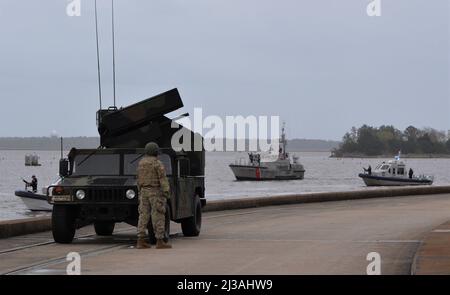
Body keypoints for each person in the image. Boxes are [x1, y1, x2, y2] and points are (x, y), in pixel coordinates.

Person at [136, 142, 172, 249]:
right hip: (155, 192)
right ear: (155, 151)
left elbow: (138, 179)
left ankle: (140, 240)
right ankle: (159, 241)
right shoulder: (157, 163)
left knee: (143, 215)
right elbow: (163, 179)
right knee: (158, 215)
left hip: (143, 192)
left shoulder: (141, 163)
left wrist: (140, 191)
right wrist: (166, 192)